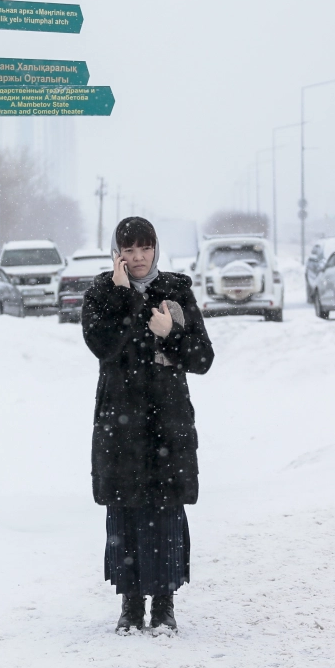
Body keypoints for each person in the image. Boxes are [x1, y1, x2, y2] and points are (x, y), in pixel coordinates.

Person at [81, 217, 214, 633]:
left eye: (145, 248)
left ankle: (164, 604)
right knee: (126, 510)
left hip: (166, 419)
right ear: (117, 253)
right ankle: (131, 604)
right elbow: (100, 345)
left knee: (165, 510)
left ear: (156, 248)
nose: (138, 258)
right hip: (120, 422)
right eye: (130, 249)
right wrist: (123, 299)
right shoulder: (102, 292)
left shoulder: (176, 291)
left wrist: (172, 332)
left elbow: (203, 359)